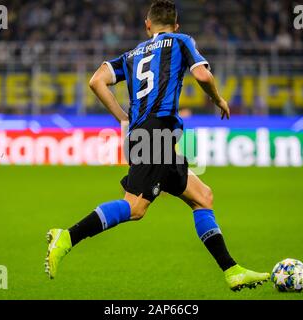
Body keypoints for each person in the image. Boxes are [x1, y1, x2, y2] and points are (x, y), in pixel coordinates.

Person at [45, 0, 269, 291]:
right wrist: (218, 99)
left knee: (202, 196)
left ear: (147, 25)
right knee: (135, 207)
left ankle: (232, 270)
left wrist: (124, 118)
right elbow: (202, 74)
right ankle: (67, 237)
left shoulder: (133, 54)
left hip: (147, 133)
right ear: (175, 25)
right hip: (158, 131)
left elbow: (96, 81)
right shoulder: (180, 40)